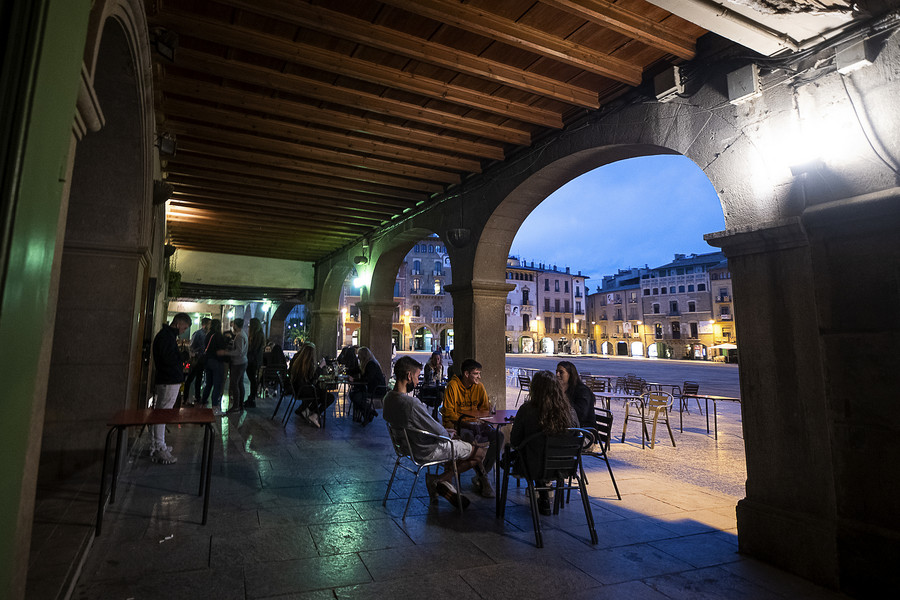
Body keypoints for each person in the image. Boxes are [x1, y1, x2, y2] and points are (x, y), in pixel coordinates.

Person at [383, 356, 486, 508]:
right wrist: (448, 433)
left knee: (456, 445)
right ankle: (439, 480)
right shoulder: (411, 403)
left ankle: (445, 485)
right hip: (425, 450)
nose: (418, 382)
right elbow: (440, 432)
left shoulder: (388, 399)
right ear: (409, 376)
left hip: (405, 448)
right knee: (479, 453)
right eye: (417, 377)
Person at [509, 370, 577, 515]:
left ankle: (543, 494)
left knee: (532, 453)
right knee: (541, 452)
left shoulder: (527, 409)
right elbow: (576, 434)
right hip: (565, 466)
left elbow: (515, 440)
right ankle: (544, 495)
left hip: (533, 467)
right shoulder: (569, 410)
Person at [442, 358, 501, 497]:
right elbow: (449, 413)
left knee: (499, 436)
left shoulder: (479, 387)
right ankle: (484, 479)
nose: (479, 377)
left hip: (476, 425)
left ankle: (481, 475)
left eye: (479, 373)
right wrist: (467, 423)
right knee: (471, 439)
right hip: (457, 426)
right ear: (466, 374)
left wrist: (483, 418)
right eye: (476, 373)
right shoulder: (453, 386)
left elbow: (485, 408)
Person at [150, 312, 192, 464]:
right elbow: (169, 359)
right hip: (168, 379)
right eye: (184, 328)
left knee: (161, 412)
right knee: (163, 413)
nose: (183, 331)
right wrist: (183, 357)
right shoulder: (167, 337)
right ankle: (160, 447)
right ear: (179, 323)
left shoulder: (166, 335)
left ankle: (157, 444)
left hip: (167, 379)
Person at [289, 342, 335, 428]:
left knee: (322, 393)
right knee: (329, 397)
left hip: (298, 390)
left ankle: (307, 410)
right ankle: (315, 415)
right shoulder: (307, 364)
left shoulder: (299, 362)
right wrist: (320, 367)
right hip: (304, 390)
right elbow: (312, 380)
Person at [349, 346, 386, 425]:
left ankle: (368, 412)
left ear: (363, 355)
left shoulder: (371, 364)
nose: (357, 357)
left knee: (356, 395)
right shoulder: (366, 363)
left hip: (377, 390)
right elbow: (356, 370)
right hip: (371, 388)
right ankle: (368, 412)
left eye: (359, 355)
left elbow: (367, 380)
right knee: (353, 394)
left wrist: (354, 380)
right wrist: (346, 371)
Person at [220, 318, 248, 412]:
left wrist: (225, 352)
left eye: (233, 324)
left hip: (238, 362)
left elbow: (239, 352)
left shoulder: (239, 336)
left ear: (236, 325)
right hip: (242, 361)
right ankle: (240, 404)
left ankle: (236, 405)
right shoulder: (242, 334)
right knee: (239, 383)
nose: (232, 326)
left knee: (234, 383)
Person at [556, 361, 594, 428]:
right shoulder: (557, 389)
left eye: (561, 372)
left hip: (583, 430)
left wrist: (562, 396)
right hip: (568, 427)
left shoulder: (582, 391)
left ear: (570, 374)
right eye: (556, 372)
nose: (557, 374)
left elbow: (581, 415)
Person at [200, 319, 227, 412]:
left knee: (209, 384)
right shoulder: (218, 335)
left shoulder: (208, 335)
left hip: (208, 361)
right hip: (216, 361)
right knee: (217, 384)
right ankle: (215, 406)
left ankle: (203, 402)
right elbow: (221, 348)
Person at [245, 317, 265, 407]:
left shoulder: (257, 335)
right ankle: (251, 397)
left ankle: (252, 397)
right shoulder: (259, 335)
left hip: (253, 361)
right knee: (252, 379)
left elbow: (254, 349)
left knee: (252, 379)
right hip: (255, 360)